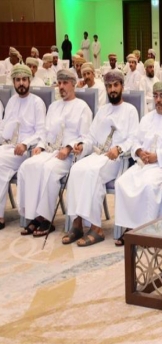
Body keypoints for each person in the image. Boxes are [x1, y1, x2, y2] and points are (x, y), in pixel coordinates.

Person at [62, 70, 139, 246]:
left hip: (116, 160)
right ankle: (77, 223)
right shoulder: (102, 110)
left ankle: (96, 228)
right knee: (76, 170)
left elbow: (134, 139)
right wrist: (82, 146)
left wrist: (119, 148)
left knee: (92, 173)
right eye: (109, 86)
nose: (112, 89)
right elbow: (91, 137)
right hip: (98, 154)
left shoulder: (130, 111)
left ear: (122, 86)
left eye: (115, 85)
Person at [18, 69, 92, 237]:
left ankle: (46, 218)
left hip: (69, 156)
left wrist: (69, 147)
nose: (61, 87)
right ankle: (34, 215)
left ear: (73, 84)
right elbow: (44, 132)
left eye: (65, 83)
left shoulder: (82, 107)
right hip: (50, 151)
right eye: (59, 83)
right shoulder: (53, 106)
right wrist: (40, 146)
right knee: (28, 165)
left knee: (48, 170)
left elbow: (85, 137)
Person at [113, 82, 162, 244]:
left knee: (148, 186)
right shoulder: (146, 118)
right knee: (122, 183)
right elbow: (135, 140)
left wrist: (157, 156)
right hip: (142, 164)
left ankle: (146, 231)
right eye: (155, 96)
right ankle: (129, 228)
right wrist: (139, 152)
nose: (158, 100)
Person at [0, 65, 47, 230]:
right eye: (18, 80)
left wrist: (25, 144)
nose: (21, 83)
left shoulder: (37, 103)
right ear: (13, 82)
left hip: (29, 150)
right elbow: (4, 128)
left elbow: (41, 132)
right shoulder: (12, 101)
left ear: (29, 81)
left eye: (24, 80)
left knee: (0, 162)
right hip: (10, 147)